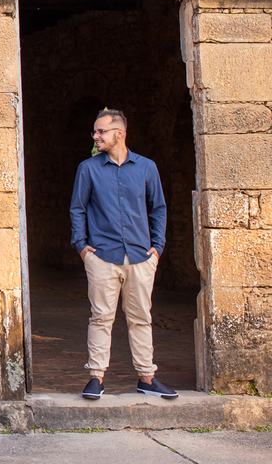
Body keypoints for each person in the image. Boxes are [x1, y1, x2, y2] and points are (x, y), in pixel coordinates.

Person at [70, 108, 177, 400]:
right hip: (102, 255)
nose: (95, 136)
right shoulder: (88, 168)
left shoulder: (146, 168)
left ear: (119, 133)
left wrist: (158, 247)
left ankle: (147, 378)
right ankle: (96, 377)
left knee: (141, 317)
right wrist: (82, 247)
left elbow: (158, 208)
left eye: (101, 131)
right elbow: (78, 208)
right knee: (101, 316)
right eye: (95, 131)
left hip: (142, 257)